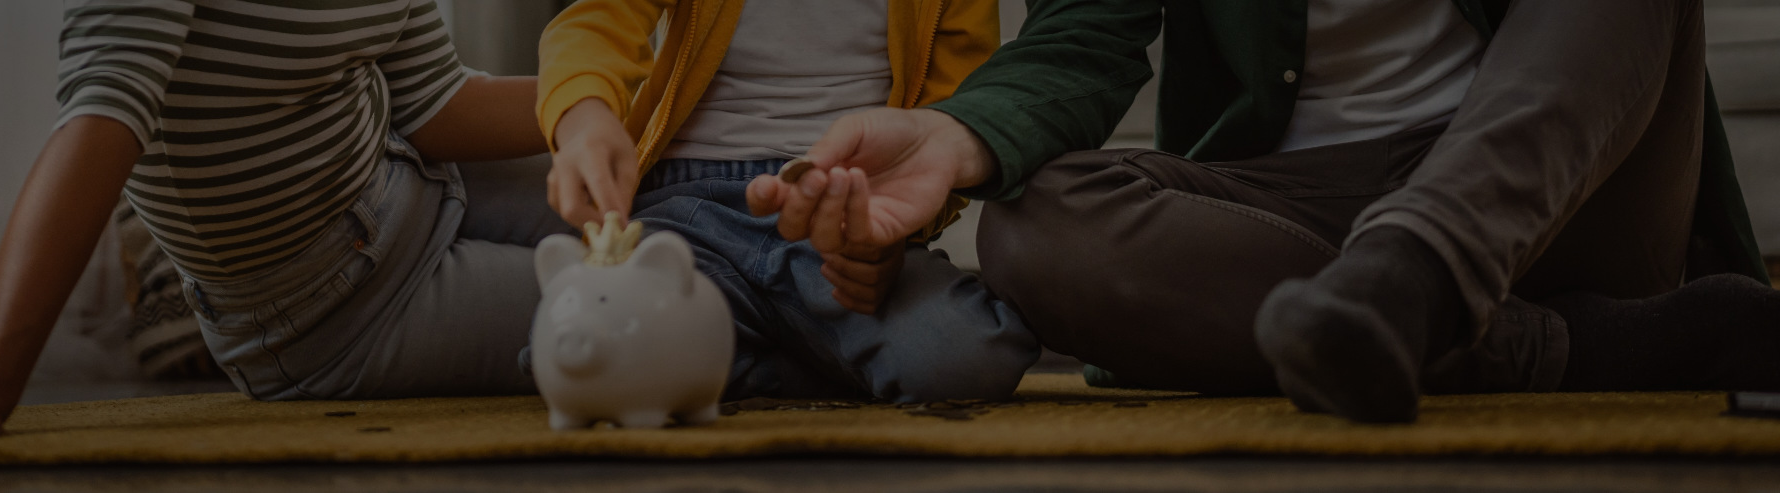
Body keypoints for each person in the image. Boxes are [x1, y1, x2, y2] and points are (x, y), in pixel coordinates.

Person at [752, 0, 1780, 423]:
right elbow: (1084, 34)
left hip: (1560, 180)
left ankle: (1421, 271)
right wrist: (958, 137)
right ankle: (1569, 347)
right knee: (1034, 222)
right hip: (1300, 219)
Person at [0, 0, 567, 444]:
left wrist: (620, 96)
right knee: (656, 300)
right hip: (340, 313)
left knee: (666, 189)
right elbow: (102, 117)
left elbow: (436, 102)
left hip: (411, 182)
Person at [537, 0, 1040, 403]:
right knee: (592, 339)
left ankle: (714, 364)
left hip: (842, 217)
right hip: (686, 212)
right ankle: (827, 361)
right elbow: (594, 22)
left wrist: (891, 238)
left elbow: (954, 111)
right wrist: (583, 120)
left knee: (974, 356)